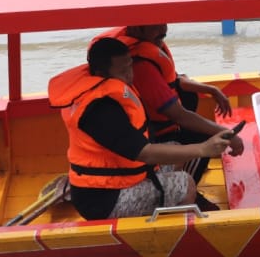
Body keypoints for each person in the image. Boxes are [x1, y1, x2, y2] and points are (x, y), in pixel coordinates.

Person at [47, 37, 233, 220]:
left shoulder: (115, 88)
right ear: (101, 72)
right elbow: (144, 153)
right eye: (123, 70)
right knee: (186, 184)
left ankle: (176, 204)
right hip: (103, 199)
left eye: (130, 66)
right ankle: (176, 234)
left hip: (122, 176)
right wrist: (203, 148)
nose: (130, 75)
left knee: (175, 149)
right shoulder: (101, 109)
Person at [94, 25, 244, 178]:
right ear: (136, 29)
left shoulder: (146, 48)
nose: (163, 29)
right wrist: (229, 135)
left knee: (192, 104)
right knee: (203, 137)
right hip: (156, 137)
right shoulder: (141, 66)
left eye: (163, 21)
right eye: (155, 24)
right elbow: (179, 116)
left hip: (160, 128)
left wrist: (210, 89)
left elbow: (174, 81)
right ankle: (188, 186)